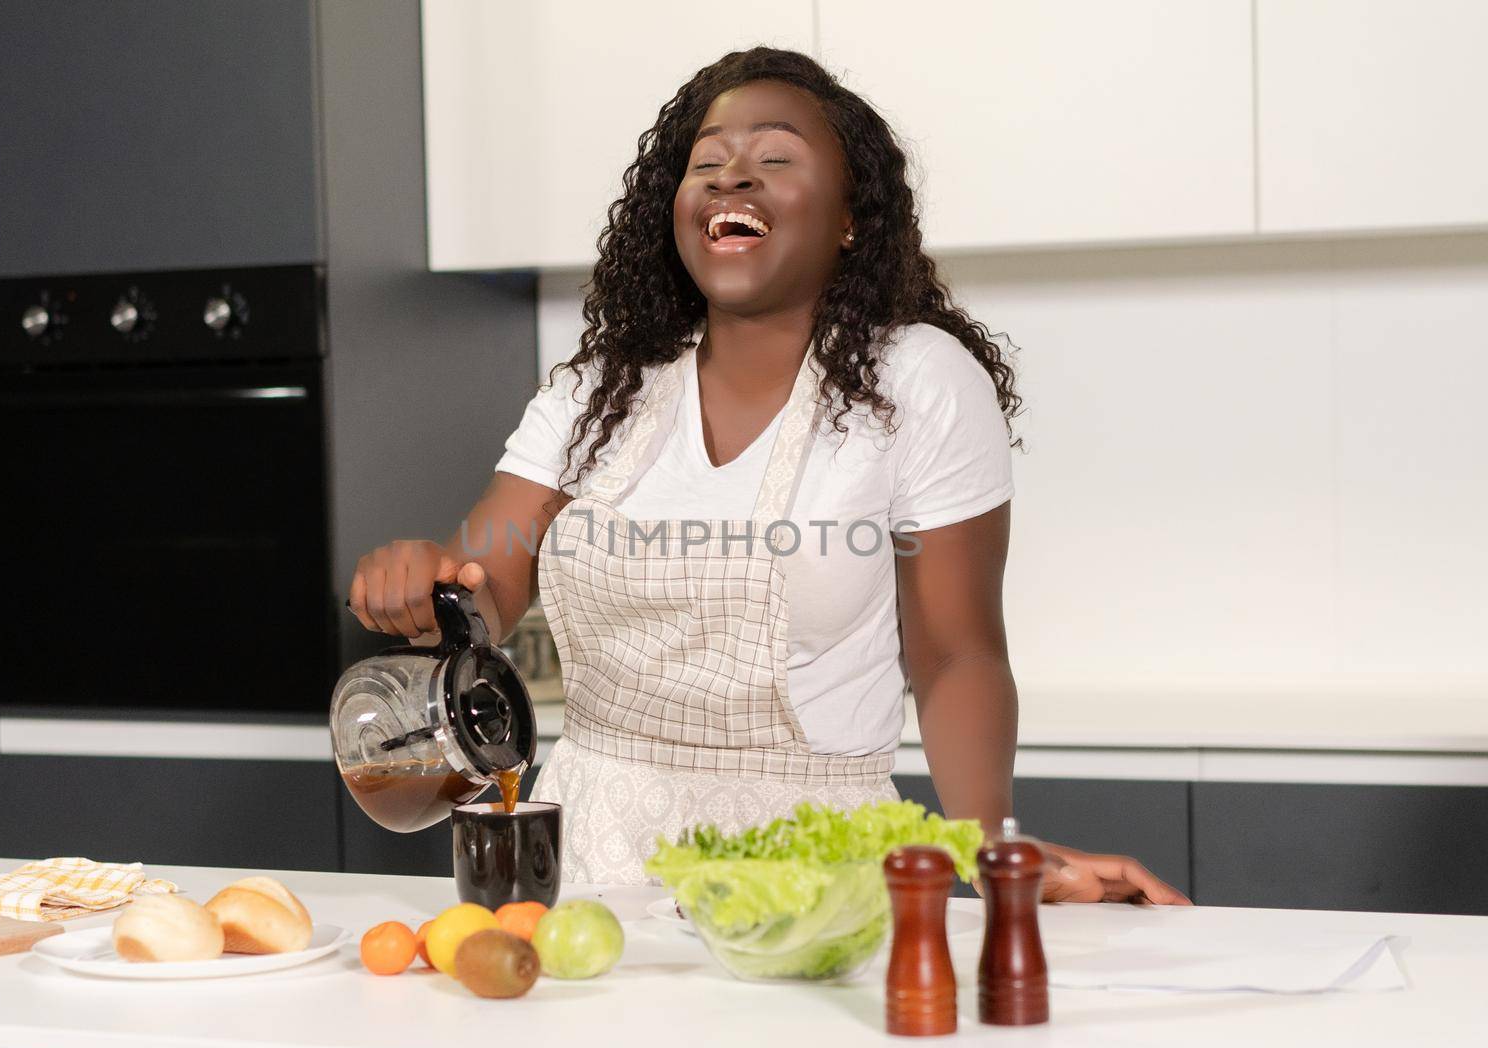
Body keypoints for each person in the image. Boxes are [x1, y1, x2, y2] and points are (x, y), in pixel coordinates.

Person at [350, 47, 1189, 905]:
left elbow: (955, 651)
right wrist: (425, 587)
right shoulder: (595, 392)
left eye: (774, 160)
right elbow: (482, 581)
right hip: (594, 862)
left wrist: (994, 849)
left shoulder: (919, 383)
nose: (730, 179)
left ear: (850, 218)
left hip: (813, 876)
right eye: (706, 164)